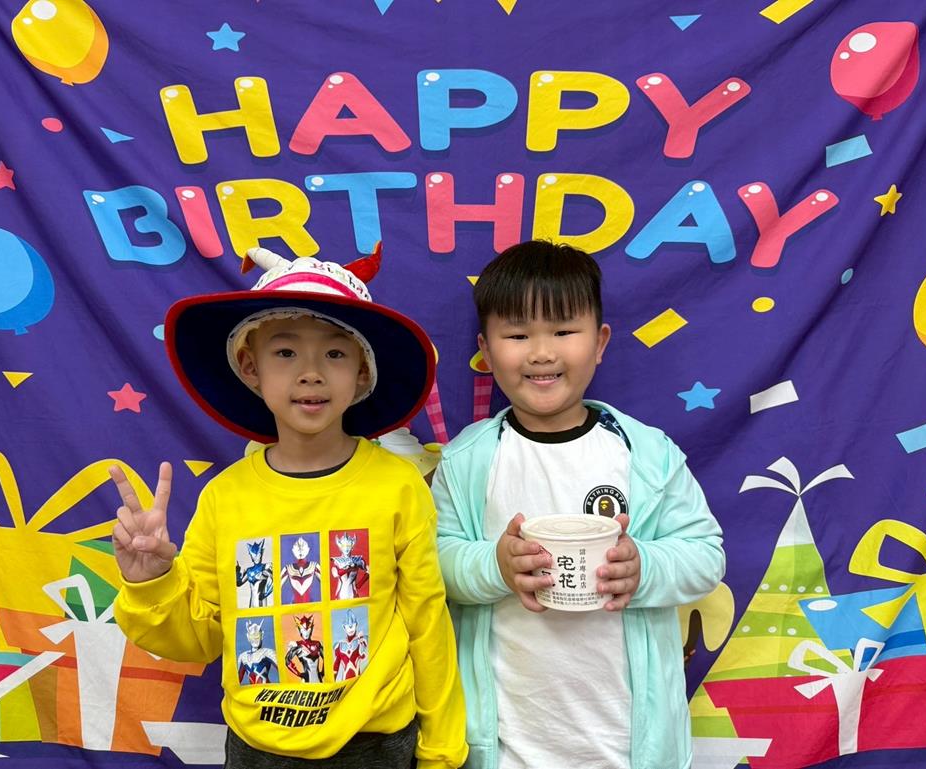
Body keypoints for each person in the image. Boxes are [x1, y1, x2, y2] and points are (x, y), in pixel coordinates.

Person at [110, 245, 468, 769]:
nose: (310, 373)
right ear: (249, 367)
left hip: (376, 746)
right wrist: (152, 582)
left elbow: (427, 623)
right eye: (285, 352)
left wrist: (442, 752)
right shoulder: (225, 497)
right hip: (257, 750)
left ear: (362, 373)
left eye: (335, 354)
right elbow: (199, 639)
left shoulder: (397, 485)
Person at [432, 240, 725, 769]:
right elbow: (436, 563)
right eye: (517, 335)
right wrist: (495, 566)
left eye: (564, 332)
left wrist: (644, 567)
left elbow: (705, 554)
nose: (542, 353)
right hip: (507, 747)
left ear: (599, 342)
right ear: (486, 350)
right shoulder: (467, 460)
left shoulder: (645, 453)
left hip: (627, 746)